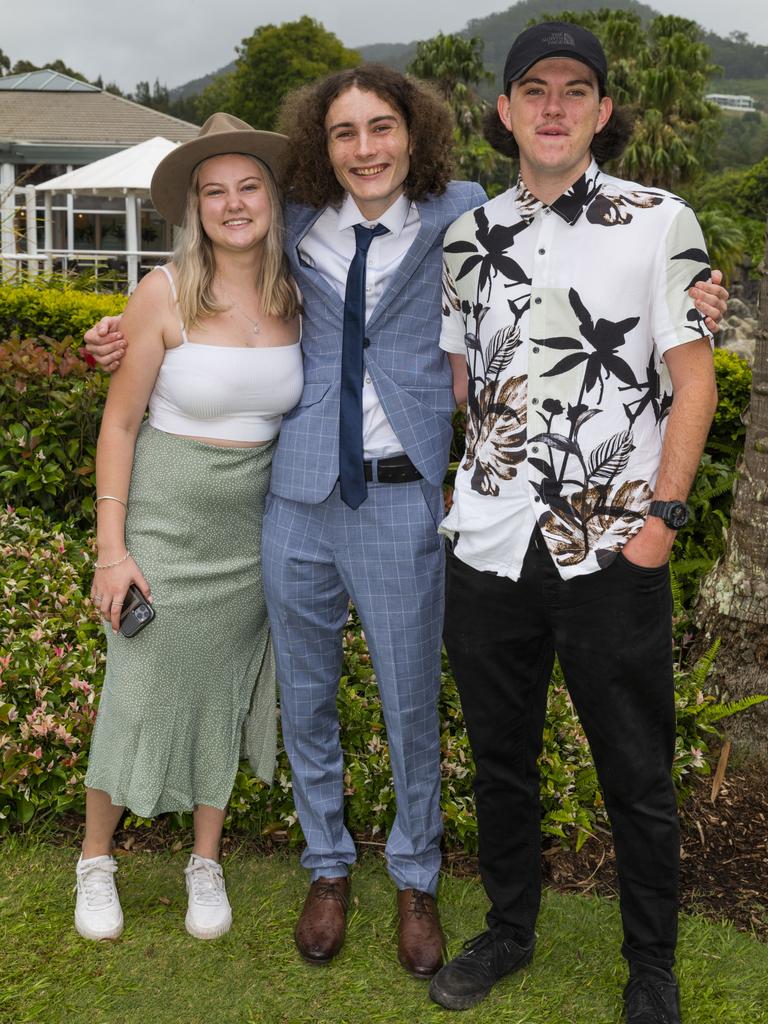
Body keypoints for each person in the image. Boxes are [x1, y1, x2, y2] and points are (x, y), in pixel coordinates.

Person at [84, 66, 727, 978]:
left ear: (413, 136)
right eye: (345, 134)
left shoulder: (464, 214)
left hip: (404, 500)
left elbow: (586, 247)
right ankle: (329, 867)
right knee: (306, 700)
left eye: (382, 128)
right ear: (323, 147)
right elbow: (214, 279)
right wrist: (118, 327)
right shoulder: (297, 218)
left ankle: (416, 878)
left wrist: (700, 290)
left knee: (408, 704)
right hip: (296, 499)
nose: (366, 148)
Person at [429, 22, 718, 1022]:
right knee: (500, 762)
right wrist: (465, 497)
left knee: (635, 771)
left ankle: (653, 967)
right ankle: (508, 931)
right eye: (534, 89)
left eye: (576, 90)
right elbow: (467, 385)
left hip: (611, 546)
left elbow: (694, 382)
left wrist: (661, 524)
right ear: (505, 110)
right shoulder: (465, 239)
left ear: (601, 110)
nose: (554, 106)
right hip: (488, 547)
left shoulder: (659, 221)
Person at [76, 113, 302, 944]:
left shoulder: (298, 293)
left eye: (249, 187)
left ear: (272, 199)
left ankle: (205, 862)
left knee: (223, 692)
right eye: (216, 191)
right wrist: (113, 550)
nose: (234, 203)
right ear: (196, 207)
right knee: (134, 693)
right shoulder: (162, 290)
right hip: (165, 523)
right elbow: (120, 426)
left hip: (255, 530)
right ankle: (95, 860)